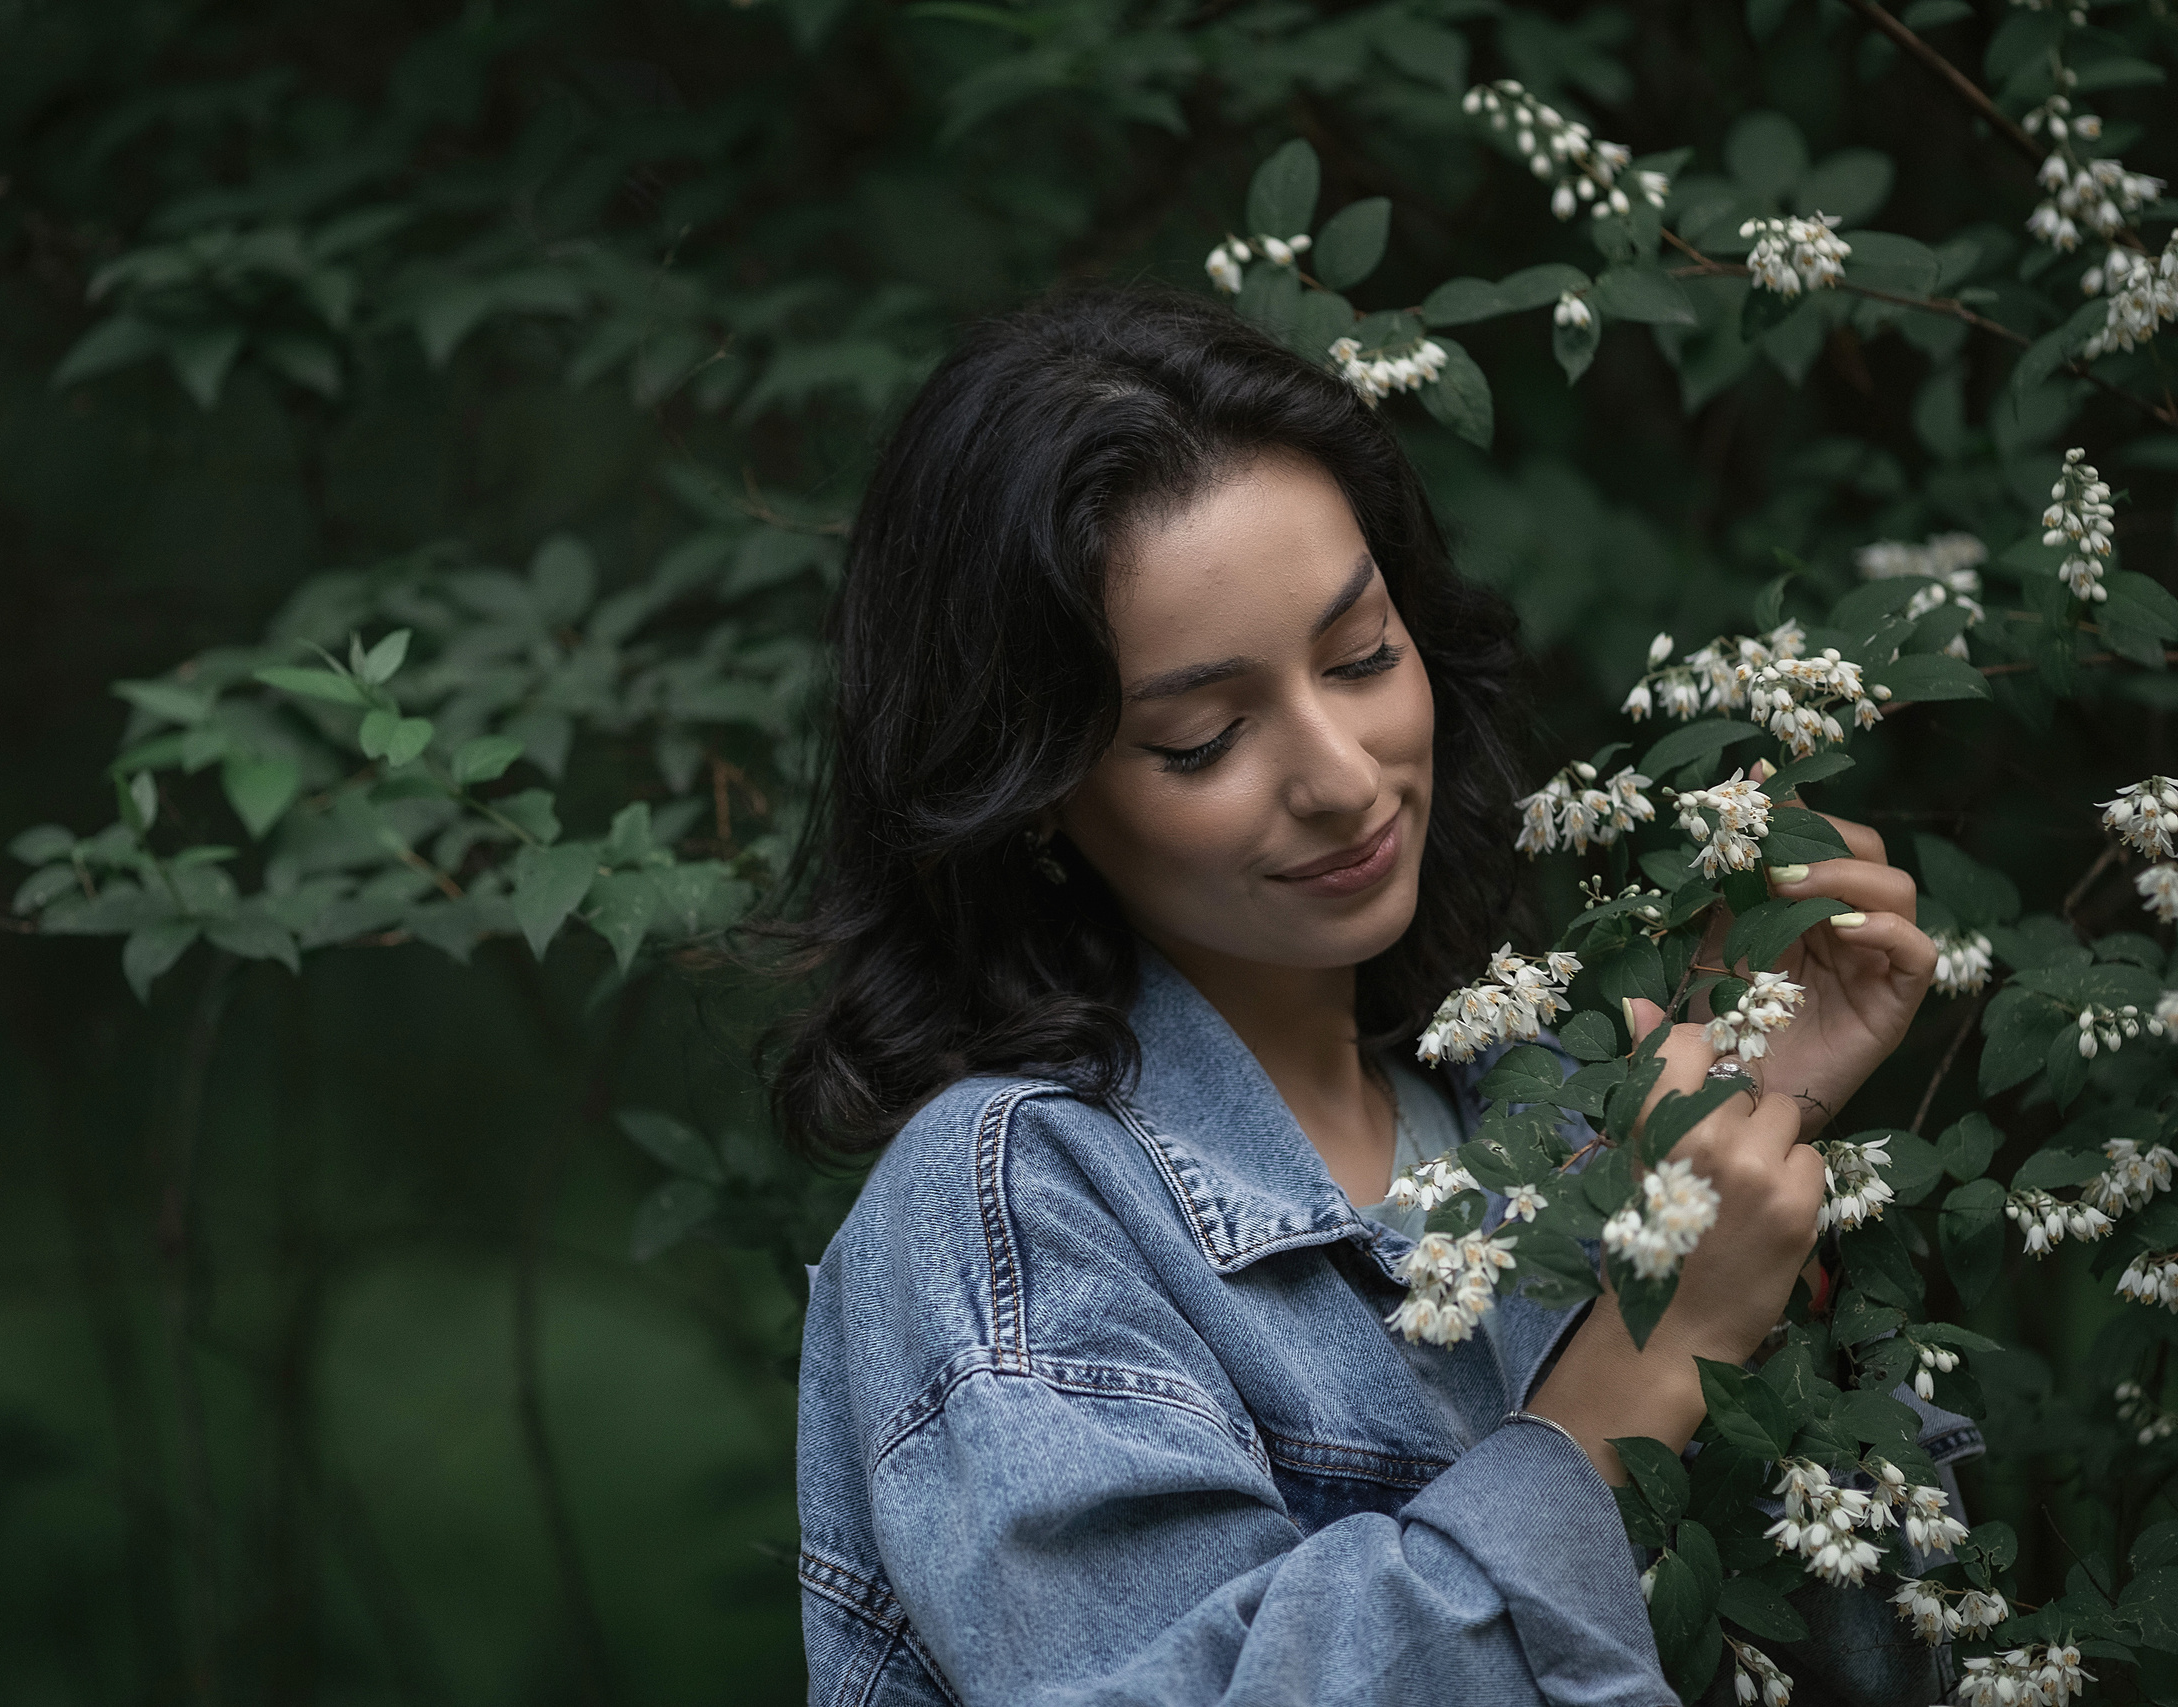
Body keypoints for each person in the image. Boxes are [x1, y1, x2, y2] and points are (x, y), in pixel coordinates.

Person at [770, 288, 1943, 1707]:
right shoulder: (1008, 1207)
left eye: (1362, 656)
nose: (1339, 774)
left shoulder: (1533, 1107)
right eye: (1202, 739)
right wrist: (1648, 1361)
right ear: (1033, 798)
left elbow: (1875, 1642)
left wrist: (1749, 1129)